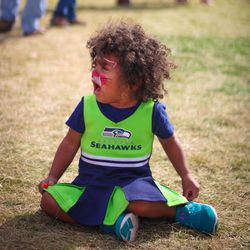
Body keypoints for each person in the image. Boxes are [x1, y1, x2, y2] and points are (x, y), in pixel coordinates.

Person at [38, 20, 218, 242]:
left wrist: (186, 175)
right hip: (90, 185)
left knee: (137, 202)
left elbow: (171, 143)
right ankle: (114, 224)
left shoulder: (151, 111)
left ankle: (181, 212)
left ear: (133, 82)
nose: (95, 71)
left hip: (133, 186)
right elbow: (69, 143)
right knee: (48, 201)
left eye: (105, 67)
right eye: (94, 65)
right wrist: (54, 176)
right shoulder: (86, 106)